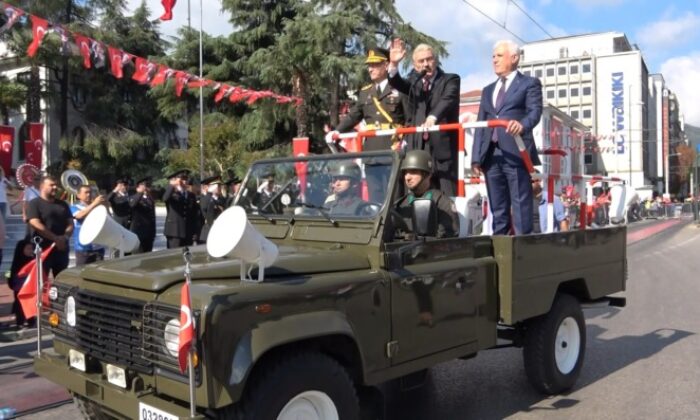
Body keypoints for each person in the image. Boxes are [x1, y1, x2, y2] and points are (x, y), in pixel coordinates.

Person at [471, 39, 543, 235]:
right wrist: (476, 158)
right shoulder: (487, 90)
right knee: (497, 208)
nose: (494, 60)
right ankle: (500, 250)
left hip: (516, 154)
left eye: (499, 56)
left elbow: (535, 112)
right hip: (491, 156)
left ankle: (522, 250)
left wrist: (522, 125)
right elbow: (481, 123)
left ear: (514, 58)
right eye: (493, 56)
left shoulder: (529, 84)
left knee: (521, 206)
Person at [328, 48, 404, 202]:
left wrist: (405, 142)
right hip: (371, 153)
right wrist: (336, 131)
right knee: (375, 197)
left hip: (393, 148)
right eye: (369, 65)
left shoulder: (399, 88)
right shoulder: (365, 92)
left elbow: (409, 118)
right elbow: (354, 115)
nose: (370, 68)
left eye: (375, 64)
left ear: (386, 65)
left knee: (395, 198)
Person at [388, 39, 460, 195]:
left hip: (442, 150)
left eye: (429, 59)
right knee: (418, 196)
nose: (426, 64)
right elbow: (397, 82)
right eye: (421, 61)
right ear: (415, 65)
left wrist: (433, 117)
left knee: (447, 195)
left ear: (436, 60)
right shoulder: (415, 84)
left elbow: (447, 99)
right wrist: (393, 64)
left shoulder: (451, 79)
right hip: (419, 147)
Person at [395, 150, 459, 239]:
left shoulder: (442, 204)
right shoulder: (401, 205)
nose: (407, 177)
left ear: (427, 175)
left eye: (413, 172)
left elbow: (448, 239)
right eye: (405, 172)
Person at [26, 175, 74, 277]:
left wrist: (65, 237)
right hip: (43, 250)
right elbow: (35, 223)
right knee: (41, 281)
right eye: (52, 185)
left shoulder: (63, 204)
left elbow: (70, 223)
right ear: (42, 186)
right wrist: (55, 238)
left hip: (61, 249)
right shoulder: (34, 204)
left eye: (56, 185)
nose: (55, 187)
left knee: (61, 280)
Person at [70, 185, 107, 265]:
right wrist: (94, 203)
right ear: (78, 195)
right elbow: (79, 216)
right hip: (83, 249)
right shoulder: (74, 207)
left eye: (90, 192)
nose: (89, 195)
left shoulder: (98, 206)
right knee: (81, 273)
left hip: (98, 247)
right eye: (86, 192)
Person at [163, 170, 197, 248]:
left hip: (187, 231)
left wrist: (194, 232)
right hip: (174, 231)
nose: (184, 181)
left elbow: (194, 215)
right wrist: (173, 185)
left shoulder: (191, 195)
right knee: (173, 257)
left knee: (187, 256)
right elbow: (165, 198)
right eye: (182, 179)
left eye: (186, 179)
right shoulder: (172, 193)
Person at [8, 239, 35, 328]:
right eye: (28, 249)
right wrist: (11, 283)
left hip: (29, 288)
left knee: (30, 304)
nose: (30, 251)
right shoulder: (17, 262)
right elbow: (10, 274)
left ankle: (31, 321)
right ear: (21, 249)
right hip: (19, 288)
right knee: (19, 305)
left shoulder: (32, 260)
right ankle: (20, 321)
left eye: (31, 249)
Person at [129, 177, 156, 253]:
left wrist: (153, 233)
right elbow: (132, 205)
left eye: (147, 186)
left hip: (149, 233)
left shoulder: (150, 199)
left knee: (148, 255)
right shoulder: (134, 197)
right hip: (138, 232)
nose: (146, 188)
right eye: (144, 185)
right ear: (137, 187)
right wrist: (140, 193)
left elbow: (152, 217)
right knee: (138, 256)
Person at [199, 176, 227, 243]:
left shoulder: (222, 199)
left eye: (220, 186)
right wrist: (209, 192)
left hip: (220, 232)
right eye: (218, 186)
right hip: (209, 232)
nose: (220, 188)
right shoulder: (206, 199)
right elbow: (204, 206)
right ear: (210, 187)